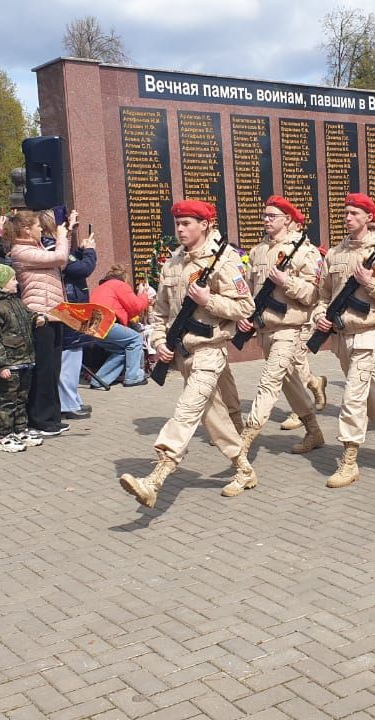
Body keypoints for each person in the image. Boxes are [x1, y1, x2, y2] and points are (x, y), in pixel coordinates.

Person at [118, 200, 255, 508]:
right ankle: (244, 469)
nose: (179, 229)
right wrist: (159, 341)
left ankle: (155, 479)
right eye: (178, 224)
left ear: (205, 225)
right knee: (214, 416)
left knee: (187, 411)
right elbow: (161, 312)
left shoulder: (225, 261)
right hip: (182, 353)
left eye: (187, 224)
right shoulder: (173, 262)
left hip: (210, 350)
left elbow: (246, 308)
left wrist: (209, 301)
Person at [311, 193, 375, 489]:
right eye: (346, 212)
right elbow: (323, 295)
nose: (348, 217)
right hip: (341, 334)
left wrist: (370, 282)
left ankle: (349, 460)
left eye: (355, 213)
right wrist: (320, 315)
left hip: (369, 333)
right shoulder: (334, 254)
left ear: (369, 218)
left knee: (353, 396)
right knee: (366, 392)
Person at [234, 196, 325, 486]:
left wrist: (287, 282)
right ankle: (313, 430)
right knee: (288, 381)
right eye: (265, 215)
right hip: (265, 329)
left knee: (270, 381)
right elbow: (249, 290)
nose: (266, 219)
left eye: (272, 215)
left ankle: (245, 441)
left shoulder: (304, 252)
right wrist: (246, 316)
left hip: (289, 329)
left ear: (288, 219)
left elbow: (314, 295)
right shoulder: (258, 251)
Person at [7, 210, 71, 435]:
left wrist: (67, 232)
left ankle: (52, 415)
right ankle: (40, 419)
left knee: (53, 368)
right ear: (26, 229)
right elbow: (60, 258)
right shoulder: (21, 250)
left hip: (54, 313)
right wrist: (62, 236)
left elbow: (61, 263)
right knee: (43, 369)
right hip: (39, 315)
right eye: (37, 226)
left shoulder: (37, 248)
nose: (41, 229)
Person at [0, 263, 45, 452]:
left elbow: (28, 317)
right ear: (1, 283)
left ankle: (20, 429)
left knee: (21, 398)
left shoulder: (17, 302)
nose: (16, 282)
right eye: (12, 279)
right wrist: (1, 365)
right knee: (7, 400)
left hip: (25, 358)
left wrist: (38, 319)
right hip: (9, 362)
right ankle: (4, 435)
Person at [58, 226, 97, 420]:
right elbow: (83, 268)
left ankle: (72, 399)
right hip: (69, 308)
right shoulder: (52, 247)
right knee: (68, 360)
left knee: (73, 358)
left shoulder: (57, 249)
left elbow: (73, 261)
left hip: (73, 306)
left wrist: (81, 251)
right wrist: (89, 251)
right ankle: (67, 403)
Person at [88, 265, 150, 388]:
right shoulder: (119, 284)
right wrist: (144, 295)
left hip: (90, 326)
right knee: (135, 339)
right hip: (105, 322)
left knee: (121, 350)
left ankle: (99, 381)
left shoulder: (102, 287)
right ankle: (133, 377)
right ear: (124, 278)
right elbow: (135, 306)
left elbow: (126, 310)